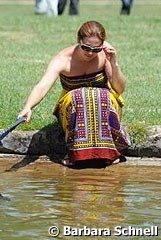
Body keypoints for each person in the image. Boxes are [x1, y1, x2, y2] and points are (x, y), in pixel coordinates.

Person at [18, 20, 130, 166]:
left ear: (102, 45)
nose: (90, 53)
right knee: (81, 96)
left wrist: (114, 63)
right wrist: (28, 107)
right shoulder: (63, 59)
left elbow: (119, 88)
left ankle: (110, 152)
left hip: (104, 103)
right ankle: (76, 153)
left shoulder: (105, 54)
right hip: (73, 106)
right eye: (86, 47)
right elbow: (42, 86)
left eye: (95, 49)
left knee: (97, 95)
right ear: (79, 41)